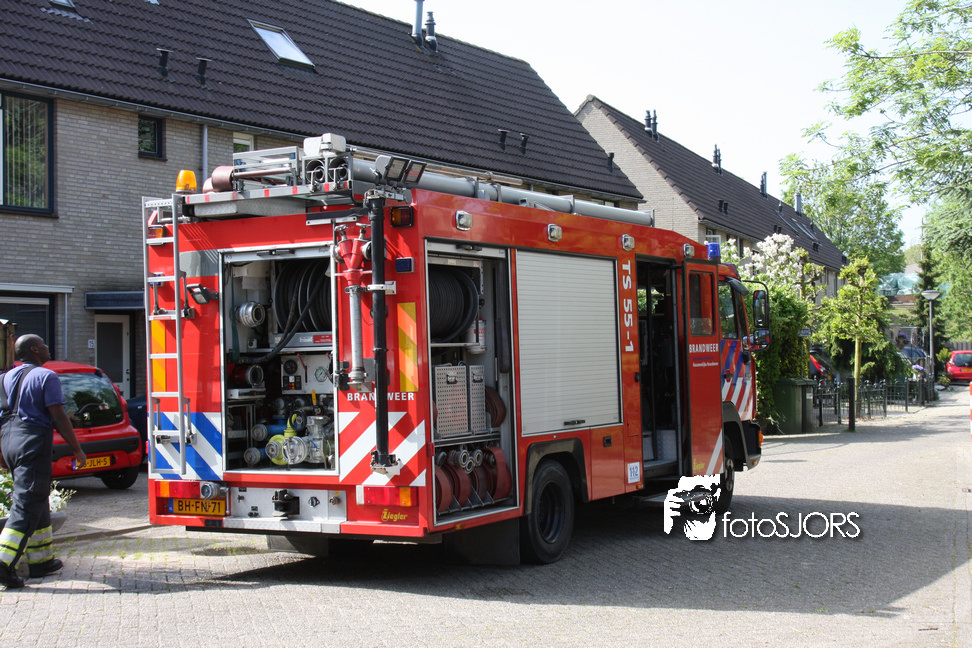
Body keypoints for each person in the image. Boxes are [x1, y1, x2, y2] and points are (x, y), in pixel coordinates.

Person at [0, 334, 86, 589]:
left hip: (9, 441)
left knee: (37, 498)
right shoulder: (46, 377)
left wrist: (2, 454)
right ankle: (3, 563)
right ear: (35, 349)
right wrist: (77, 450)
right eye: (45, 345)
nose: (49, 348)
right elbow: (58, 416)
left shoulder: (5, 378)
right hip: (32, 443)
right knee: (26, 504)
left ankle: (41, 561)